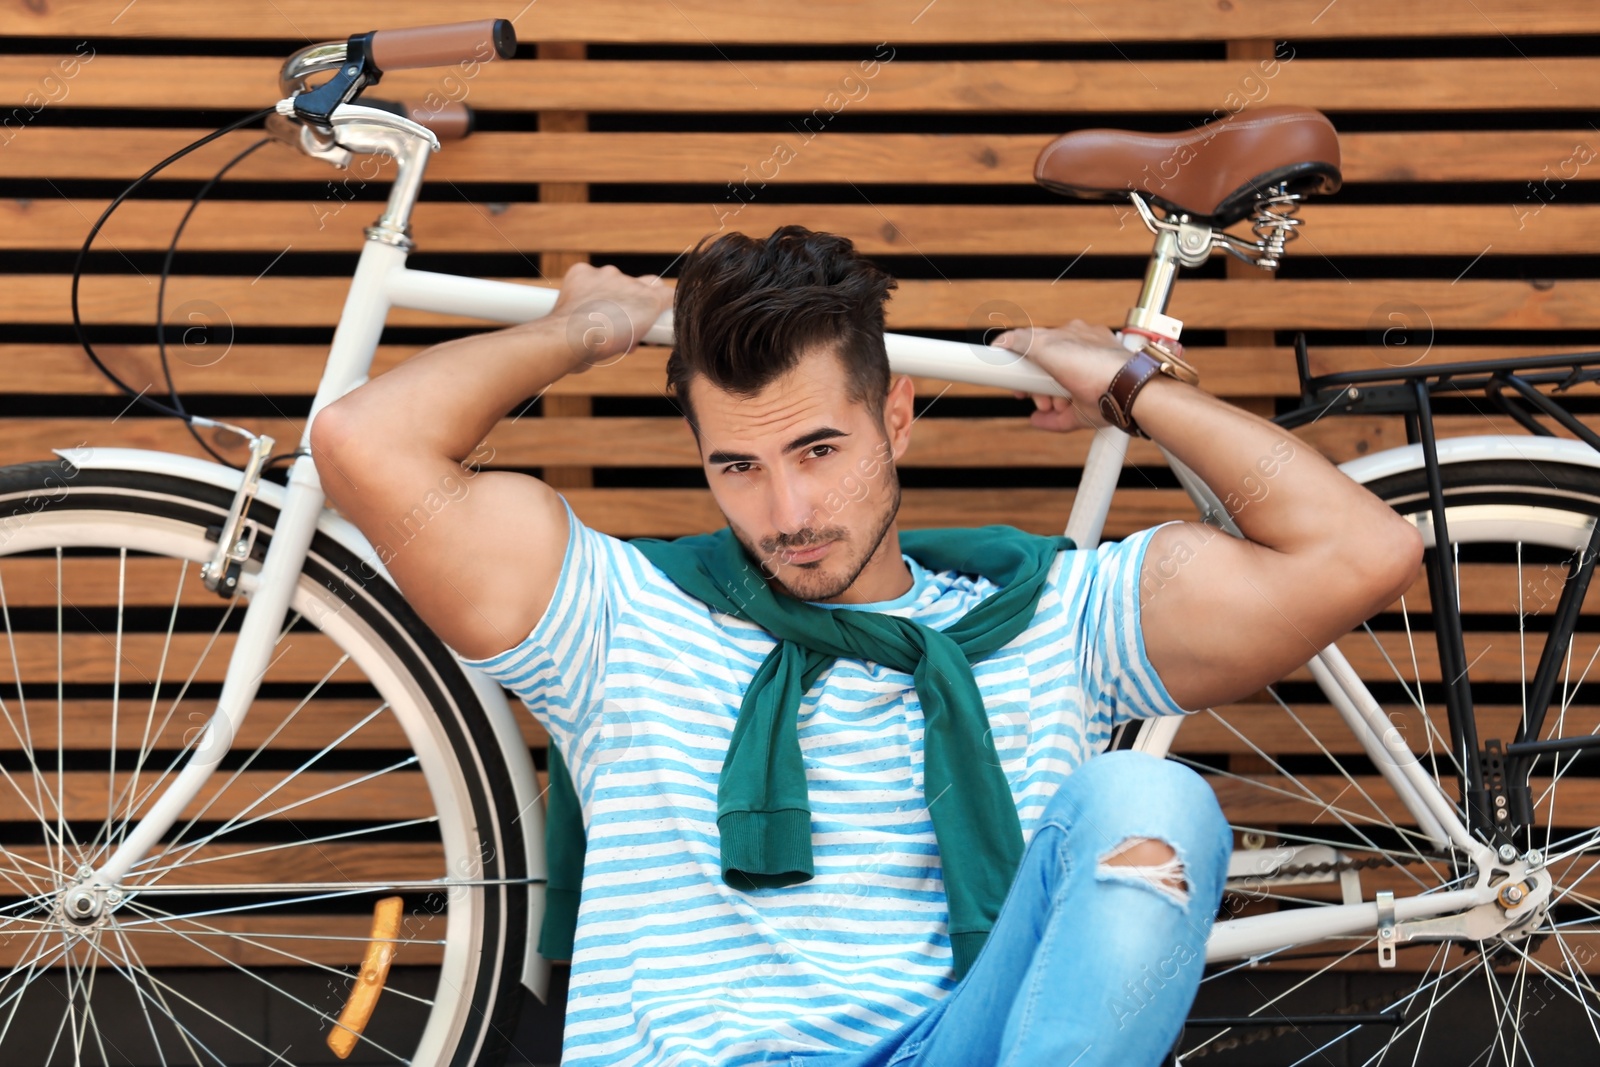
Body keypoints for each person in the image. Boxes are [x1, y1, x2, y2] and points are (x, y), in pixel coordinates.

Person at [311, 225, 1423, 1066]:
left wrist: (1135, 388)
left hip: (952, 1042)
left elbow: (1357, 551)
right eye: (737, 466)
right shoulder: (614, 613)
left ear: (896, 415)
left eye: (819, 447)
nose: (787, 509)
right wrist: (579, 331)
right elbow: (364, 440)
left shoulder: (1051, 617)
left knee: (1156, 803)